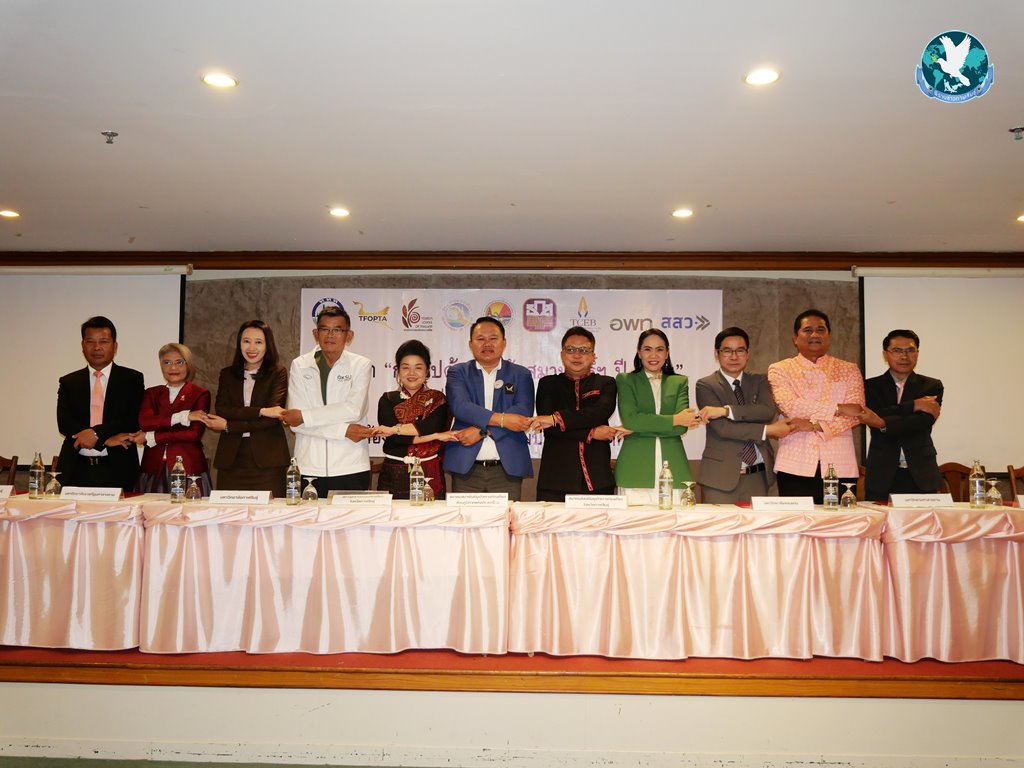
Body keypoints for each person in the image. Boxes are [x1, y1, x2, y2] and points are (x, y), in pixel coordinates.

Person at [767, 309, 864, 502]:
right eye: (808, 330)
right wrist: (838, 408)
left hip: (840, 462)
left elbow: (855, 413)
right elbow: (791, 407)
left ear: (829, 336)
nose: (815, 335)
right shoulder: (780, 369)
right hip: (795, 462)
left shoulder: (849, 369)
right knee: (796, 518)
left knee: (841, 519)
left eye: (821, 330)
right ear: (795, 338)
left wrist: (812, 425)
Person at [280, 306, 373, 497]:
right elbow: (295, 423)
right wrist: (344, 430)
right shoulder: (300, 365)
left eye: (337, 329)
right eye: (324, 329)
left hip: (351, 465)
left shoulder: (361, 365)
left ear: (349, 336)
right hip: (308, 465)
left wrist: (305, 416)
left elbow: (353, 410)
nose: (330, 335)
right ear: (316, 333)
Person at [696, 327, 793, 503]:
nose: (734, 356)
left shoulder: (760, 380)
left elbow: (766, 411)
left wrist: (726, 411)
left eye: (740, 350)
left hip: (758, 475)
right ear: (717, 354)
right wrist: (767, 430)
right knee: (721, 522)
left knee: (756, 522)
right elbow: (723, 428)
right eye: (727, 351)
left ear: (748, 354)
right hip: (720, 477)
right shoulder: (706, 385)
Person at [443, 317, 535, 500]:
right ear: (470, 344)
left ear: (504, 343)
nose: (487, 344)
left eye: (493, 338)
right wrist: (503, 420)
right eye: (480, 339)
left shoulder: (520, 374)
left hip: (507, 468)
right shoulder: (458, 372)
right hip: (467, 467)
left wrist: (482, 432)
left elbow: (523, 413)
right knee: (465, 518)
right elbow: (461, 407)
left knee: (506, 518)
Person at [202, 320, 290, 498]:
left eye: (259, 342)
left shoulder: (277, 373)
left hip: (268, 462)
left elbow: (271, 419)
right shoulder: (227, 374)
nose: (252, 348)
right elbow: (223, 410)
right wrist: (261, 411)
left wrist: (229, 426)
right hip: (232, 461)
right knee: (230, 513)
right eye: (246, 341)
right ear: (239, 343)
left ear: (267, 345)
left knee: (270, 512)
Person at [56, 316, 145, 492]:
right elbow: (64, 423)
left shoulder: (131, 379)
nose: (97, 347)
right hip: (75, 469)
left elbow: (132, 419)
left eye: (103, 341)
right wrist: (104, 440)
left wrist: (97, 434)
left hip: (119, 469)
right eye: (90, 342)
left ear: (115, 346)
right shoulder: (69, 381)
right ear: (82, 346)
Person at [531, 326, 618, 502]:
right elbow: (550, 429)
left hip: (597, 478)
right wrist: (592, 433)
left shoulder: (606, 383)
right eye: (571, 350)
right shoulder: (548, 384)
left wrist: (555, 419)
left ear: (593, 356)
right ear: (562, 354)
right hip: (555, 479)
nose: (577, 355)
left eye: (584, 350)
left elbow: (598, 413)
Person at [858, 329, 943, 501]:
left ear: (917, 353)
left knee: (924, 519)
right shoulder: (870, 386)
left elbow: (921, 422)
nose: (904, 356)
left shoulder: (931, 386)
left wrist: (883, 423)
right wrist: (913, 405)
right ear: (885, 354)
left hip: (921, 473)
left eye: (910, 350)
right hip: (882, 473)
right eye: (897, 350)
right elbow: (872, 416)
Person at [614, 328, 701, 491]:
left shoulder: (679, 382)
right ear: (639, 352)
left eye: (659, 350)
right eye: (647, 349)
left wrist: (637, 429)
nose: (653, 355)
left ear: (667, 353)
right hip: (634, 468)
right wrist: (675, 419)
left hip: (675, 467)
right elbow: (631, 420)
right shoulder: (626, 380)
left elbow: (681, 428)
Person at [373, 340, 457, 499]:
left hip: (429, 471)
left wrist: (394, 429)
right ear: (398, 371)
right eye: (405, 367)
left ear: (427, 372)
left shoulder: (437, 399)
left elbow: (430, 427)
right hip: (393, 470)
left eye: (418, 367)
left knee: (431, 514)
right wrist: (435, 436)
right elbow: (395, 440)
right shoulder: (387, 399)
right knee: (391, 514)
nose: (411, 373)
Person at [133, 343, 211, 494]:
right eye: (167, 362)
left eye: (179, 362)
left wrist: (152, 436)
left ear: (188, 365)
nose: (173, 368)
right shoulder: (151, 393)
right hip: (153, 466)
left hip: (188, 466)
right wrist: (183, 416)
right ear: (161, 366)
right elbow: (145, 422)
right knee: (150, 509)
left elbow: (193, 434)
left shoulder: (200, 394)